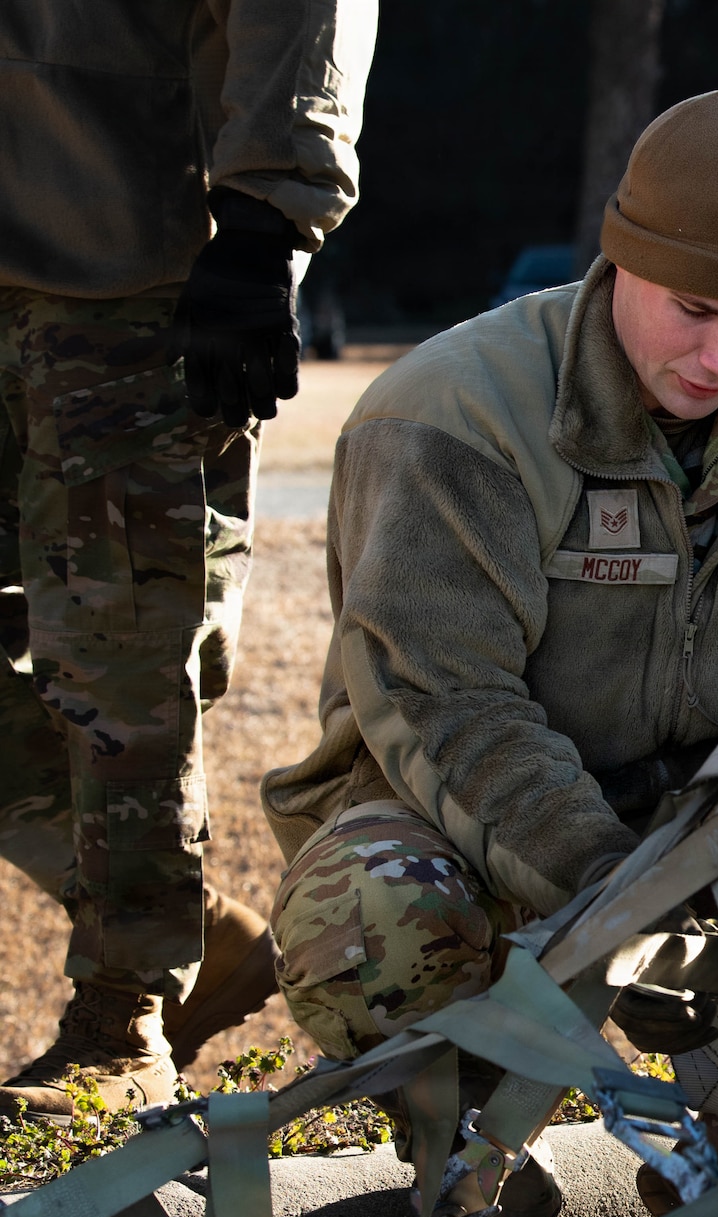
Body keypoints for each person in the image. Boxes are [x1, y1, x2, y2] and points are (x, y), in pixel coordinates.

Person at [259, 88, 718, 1208]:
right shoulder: (458, 416)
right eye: (693, 309)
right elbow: (446, 703)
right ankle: (478, 1123)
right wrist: (624, 886)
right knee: (372, 911)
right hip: (492, 825)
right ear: (620, 256)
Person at [0, 1, 376, 1116]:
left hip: (123, 272)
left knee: (118, 650)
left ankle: (126, 1015)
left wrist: (266, 219)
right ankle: (194, 935)